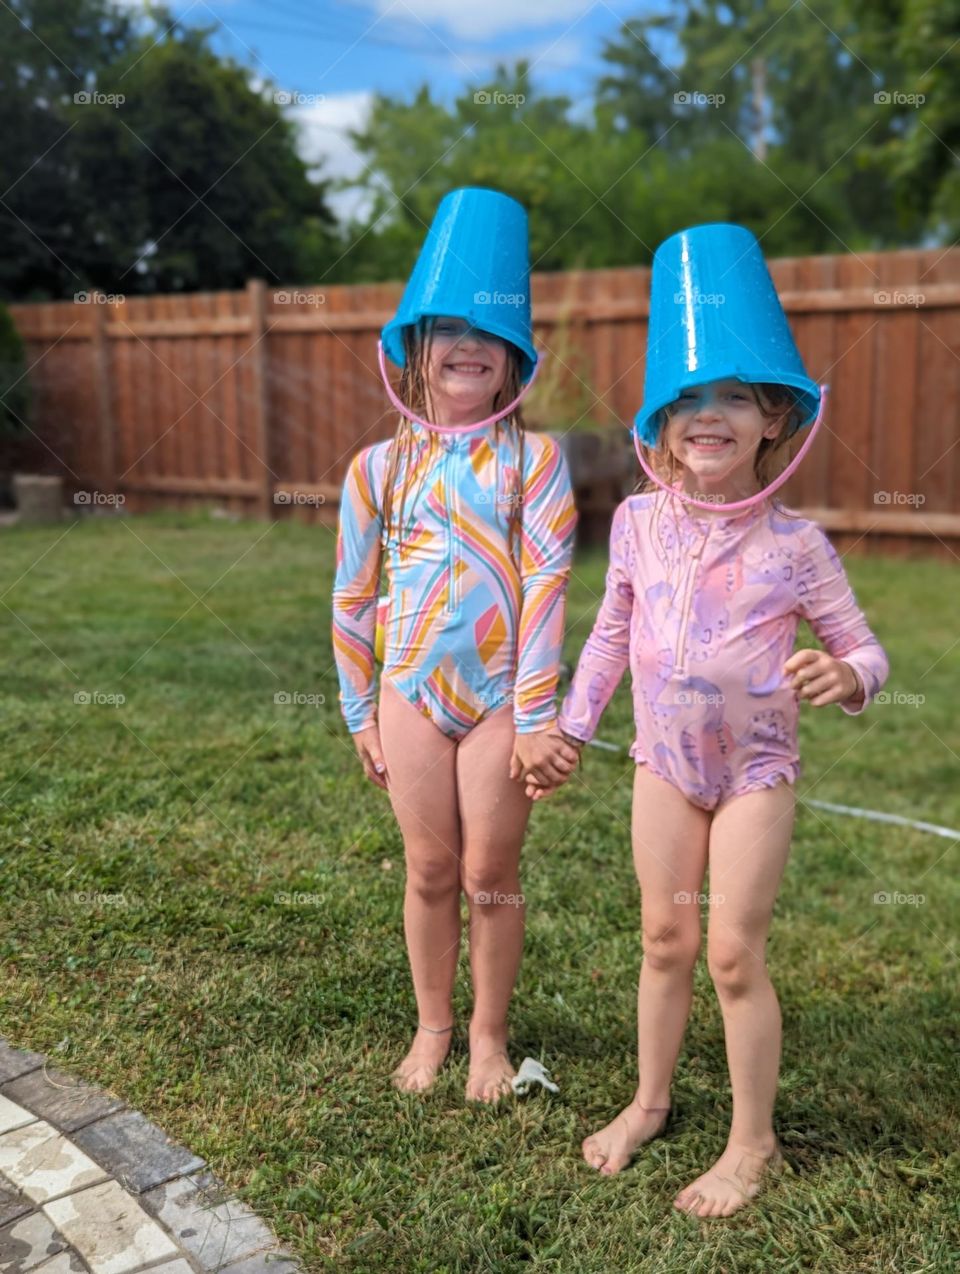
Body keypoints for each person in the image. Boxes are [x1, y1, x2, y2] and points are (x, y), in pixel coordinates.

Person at [532, 223, 889, 1215]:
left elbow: (867, 648)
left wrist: (847, 677)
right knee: (662, 936)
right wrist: (568, 721)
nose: (709, 415)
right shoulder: (641, 523)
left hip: (754, 775)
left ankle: (751, 1140)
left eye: (733, 395)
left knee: (730, 950)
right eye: (687, 398)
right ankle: (648, 1101)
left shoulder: (797, 543)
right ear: (658, 424)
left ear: (775, 416)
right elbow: (607, 635)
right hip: (662, 764)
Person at [333, 188, 579, 1103]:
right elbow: (355, 595)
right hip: (409, 691)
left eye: (488, 331)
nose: (467, 344)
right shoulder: (377, 470)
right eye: (447, 327)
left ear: (513, 356)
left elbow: (549, 584)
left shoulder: (536, 461)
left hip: (503, 695)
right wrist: (361, 708)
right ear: (414, 348)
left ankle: (488, 1035)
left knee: (488, 871)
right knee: (430, 866)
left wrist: (538, 714)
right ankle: (434, 1025)